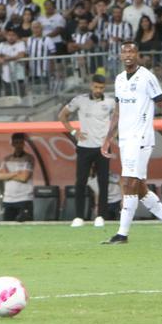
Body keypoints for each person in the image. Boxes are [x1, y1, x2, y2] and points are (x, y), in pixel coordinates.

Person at [101, 41, 162, 244]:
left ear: (137, 54)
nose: (128, 54)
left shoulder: (147, 77)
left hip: (141, 137)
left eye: (131, 51)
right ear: (120, 56)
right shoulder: (120, 79)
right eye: (124, 52)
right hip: (125, 138)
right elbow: (118, 112)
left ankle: (122, 234)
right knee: (138, 187)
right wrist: (107, 139)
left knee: (128, 182)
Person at [59, 73, 113, 227]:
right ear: (91, 86)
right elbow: (62, 116)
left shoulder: (110, 102)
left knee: (103, 182)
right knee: (81, 182)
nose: (98, 90)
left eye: (101, 88)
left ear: (104, 88)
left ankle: (101, 216)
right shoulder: (80, 100)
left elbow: (118, 119)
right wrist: (74, 132)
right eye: (96, 87)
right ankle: (79, 217)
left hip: (103, 147)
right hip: (84, 147)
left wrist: (112, 136)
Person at [0, 132, 34, 222]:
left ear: (24, 143)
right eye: (16, 142)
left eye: (20, 142)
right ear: (12, 143)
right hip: (8, 199)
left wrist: (8, 175)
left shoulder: (28, 158)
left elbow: (24, 178)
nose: (18, 145)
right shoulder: (7, 159)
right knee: (7, 226)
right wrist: (15, 173)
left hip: (24, 198)